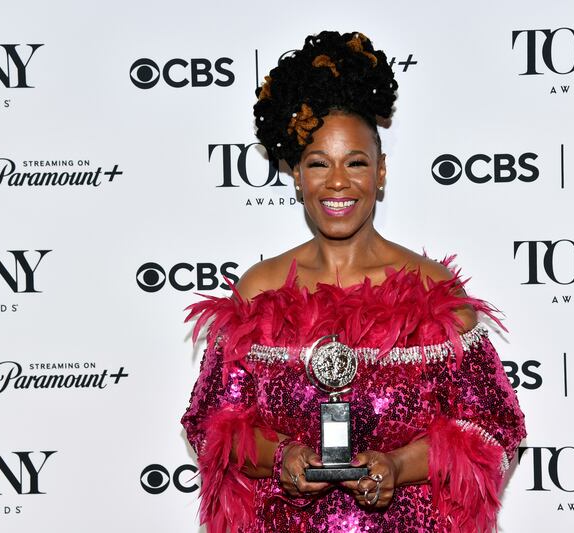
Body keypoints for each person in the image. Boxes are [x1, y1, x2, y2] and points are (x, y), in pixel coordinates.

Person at [182, 30, 526, 533]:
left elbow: (492, 427)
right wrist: (283, 459)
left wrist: (397, 466)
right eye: (318, 163)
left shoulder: (433, 293)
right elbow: (210, 427)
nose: (337, 181)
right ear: (296, 175)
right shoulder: (258, 291)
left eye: (356, 162)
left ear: (381, 172)